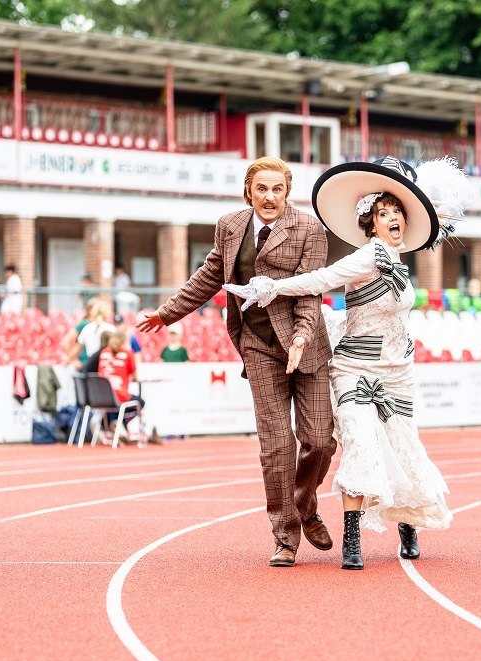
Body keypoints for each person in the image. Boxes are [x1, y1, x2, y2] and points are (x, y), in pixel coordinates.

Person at [225, 155, 470, 570]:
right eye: (382, 213)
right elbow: (319, 280)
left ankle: (407, 524)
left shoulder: (400, 261)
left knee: (403, 446)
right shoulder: (368, 256)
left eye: (396, 212)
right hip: (355, 369)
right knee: (358, 444)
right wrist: (272, 287)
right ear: (370, 223)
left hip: (398, 372)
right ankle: (352, 535)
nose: (391, 218)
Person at [137, 156, 336, 568]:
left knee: (319, 440)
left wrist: (300, 335)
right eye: (261, 189)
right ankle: (285, 535)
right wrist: (168, 313)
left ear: (287, 193)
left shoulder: (310, 229)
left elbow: (310, 293)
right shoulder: (229, 226)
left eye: (277, 189)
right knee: (276, 446)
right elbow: (211, 275)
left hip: (305, 345)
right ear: (249, 192)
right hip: (258, 343)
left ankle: (304, 503)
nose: (269, 197)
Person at [97, 330, 145, 443]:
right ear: (124, 341)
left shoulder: (103, 352)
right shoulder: (127, 353)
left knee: (116, 403)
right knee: (140, 402)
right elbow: (135, 376)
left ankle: (115, 424)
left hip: (101, 397)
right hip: (119, 396)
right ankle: (120, 424)